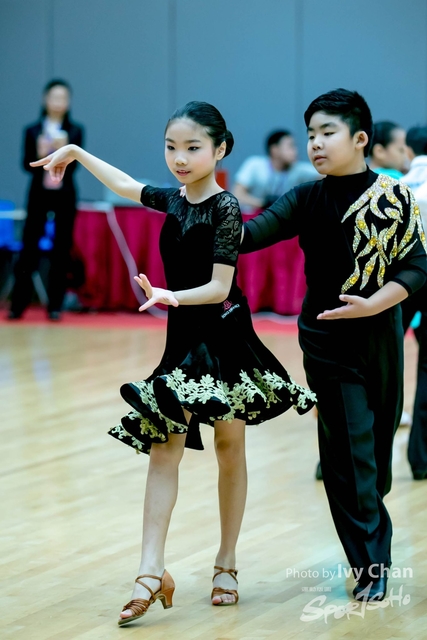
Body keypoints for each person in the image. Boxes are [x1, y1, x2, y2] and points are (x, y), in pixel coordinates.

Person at [31, 101, 316, 625]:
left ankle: (226, 562)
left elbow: (221, 287)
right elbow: (126, 185)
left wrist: (170, 295)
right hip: (182, 340)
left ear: (220, 149)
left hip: (224, 336)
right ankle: (149, 572)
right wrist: (76, 153)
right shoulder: (173, 199)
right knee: (165, 448)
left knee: (229, 447)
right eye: (171, 147)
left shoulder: (225, 207)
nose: (179, 158)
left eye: (192, 148)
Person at [240, 89, 427, 601]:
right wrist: (200, 197)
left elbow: (417, 266)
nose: (316, 144)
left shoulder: (395, 197)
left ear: (360, 138)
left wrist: (374, 304)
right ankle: (370, 565)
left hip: (381, 337)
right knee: (350, 451)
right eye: (311, 135)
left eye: (328, 133)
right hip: (326, 340)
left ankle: (371, 542)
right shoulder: (306, 198)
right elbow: (250, 236)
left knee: (375, 455)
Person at [8, 79, 84, 321]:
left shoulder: (75, 131)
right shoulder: (32, 130)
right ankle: (17, 305)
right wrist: (41, 154)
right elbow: (26, 164)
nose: (58, 102)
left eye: (63, 98)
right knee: (29, 248)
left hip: (64, 196)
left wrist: (63, 154)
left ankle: (55, 306)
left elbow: (76, 167)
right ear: (45, 100)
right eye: (54, 97)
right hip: (39, 195)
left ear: (68, 102)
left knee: (61, 250)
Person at [400, 126, 427, 479]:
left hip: (399, 282)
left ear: (408, 150)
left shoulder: (396, 187)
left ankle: (355, 455)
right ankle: (421, 460)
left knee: (382, 367)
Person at [233, 129, 319, 212]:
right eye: (291, 146)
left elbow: (323, 175)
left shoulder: (298, 169)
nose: (295, 151)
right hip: (253, 216)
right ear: (274, 149)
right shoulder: (255, 164)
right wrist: (263, 204)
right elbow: (237, 195)